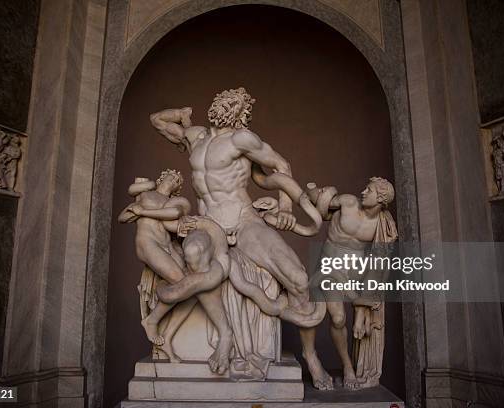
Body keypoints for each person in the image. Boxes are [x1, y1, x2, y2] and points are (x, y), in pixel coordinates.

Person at [150, 88, 329, 389]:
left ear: (241, 113)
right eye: (223, 99)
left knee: (297, 278)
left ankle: (311, 356)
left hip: (244, 221)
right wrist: (180, 113)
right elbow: (156, 120)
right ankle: (224, 335)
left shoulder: (242, 139)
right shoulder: (195, 137)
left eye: (234, 103)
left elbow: (281, 166)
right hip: (209, 224)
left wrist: (285, 207)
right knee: (194, 253)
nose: (225, 105)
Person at [307, 177, 398, 389]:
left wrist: (362, 307)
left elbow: (378, 264)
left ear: (381, 199)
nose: (364, 191)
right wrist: (315, 190)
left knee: (362, 317)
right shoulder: (348, 202)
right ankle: (347, 365)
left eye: (370, 190)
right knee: (338, 319)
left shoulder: (382, 224)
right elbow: (319, 202)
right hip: (330, 268)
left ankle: (359, 318)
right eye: (365, 187)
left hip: (357, 275)